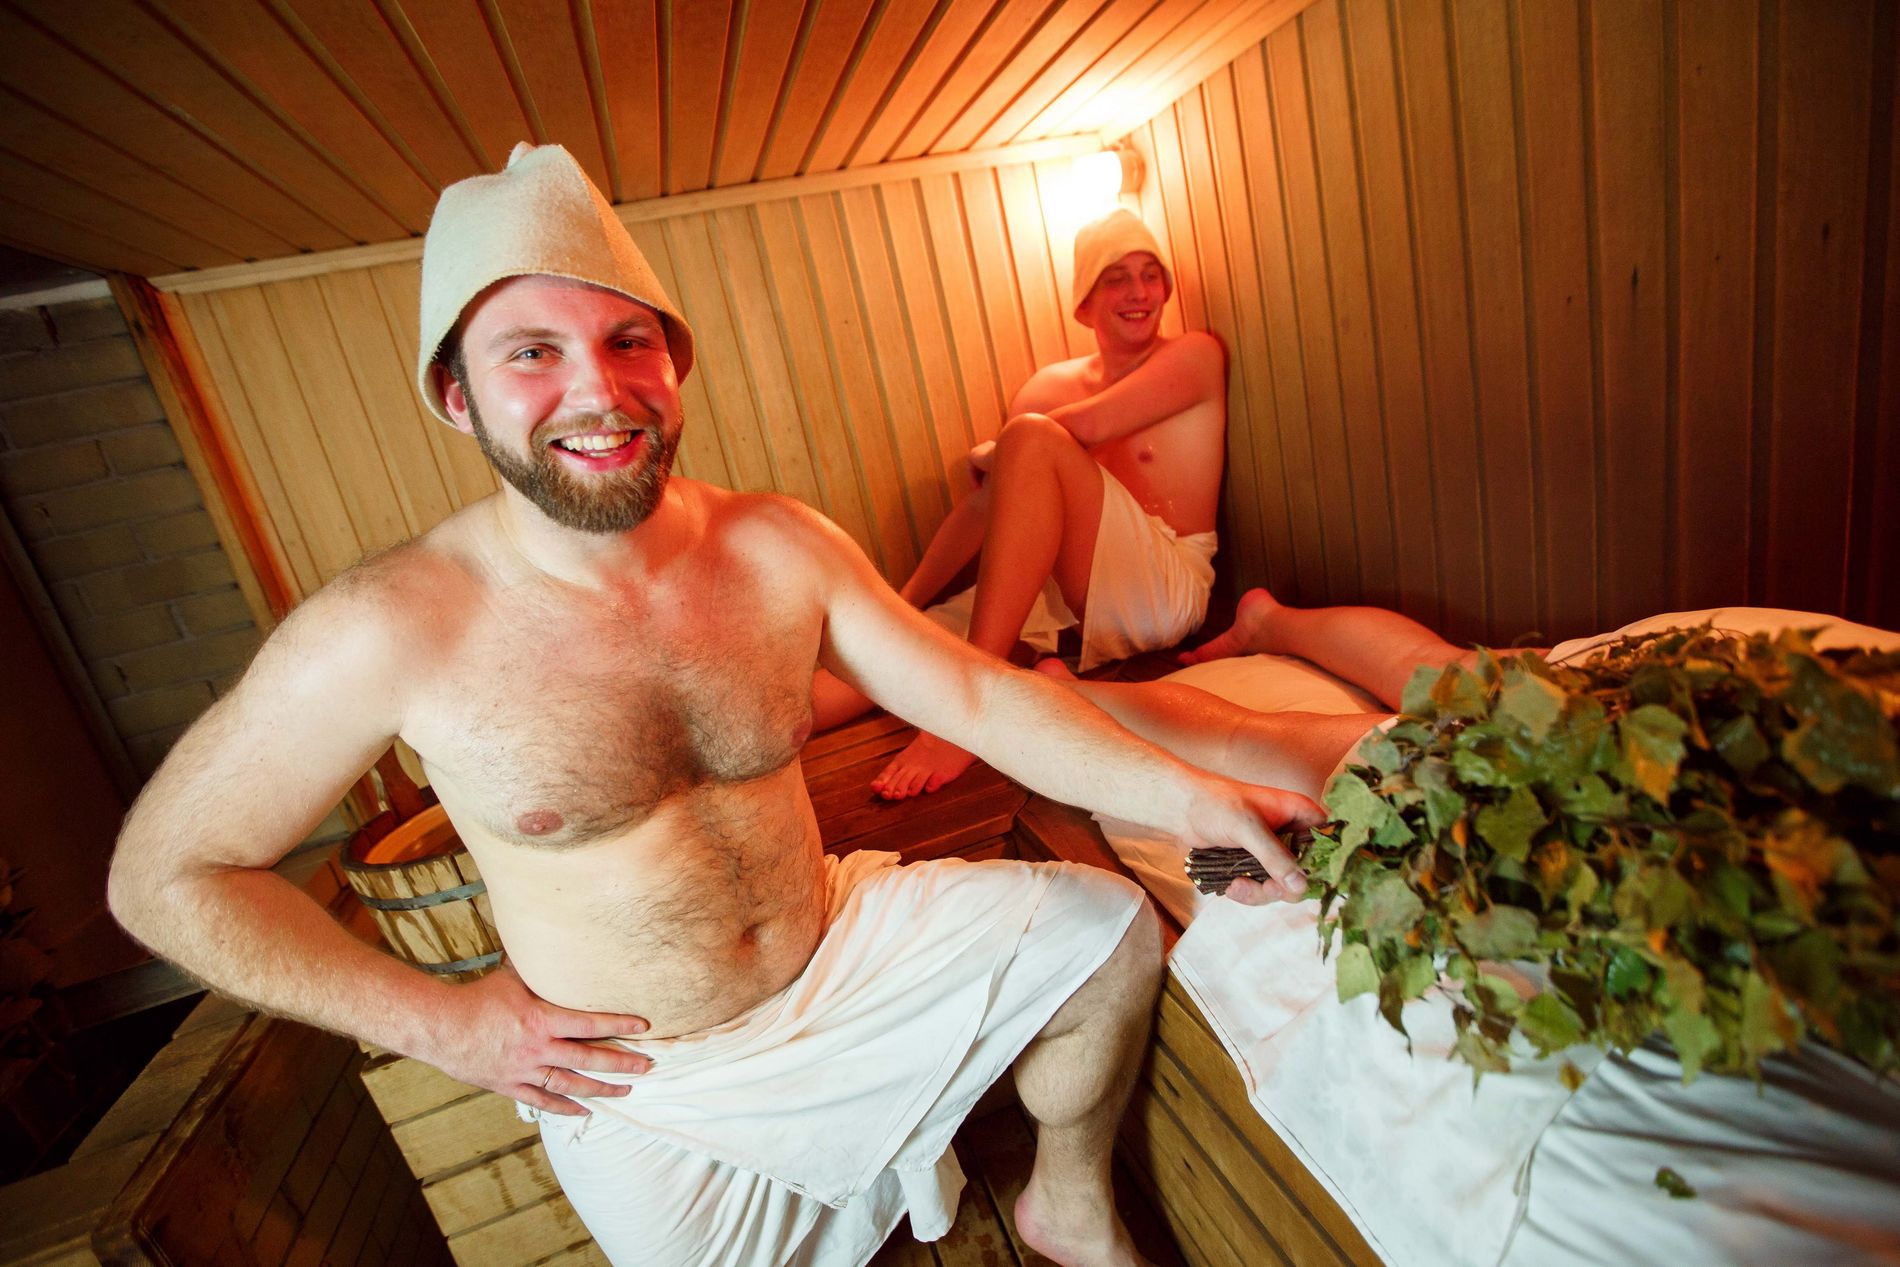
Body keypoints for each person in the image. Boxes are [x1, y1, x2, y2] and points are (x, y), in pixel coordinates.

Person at [106, 145, 1321, 1267]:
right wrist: (444, 1026)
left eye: (628, 340)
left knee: (1108, 939)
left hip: (840, 950)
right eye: (531, 353)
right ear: (458, 397)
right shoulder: (388, 625)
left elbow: (975, 694)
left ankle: (1068, 1203)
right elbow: (165, 877)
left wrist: (1195, 798)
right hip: (643, 1076)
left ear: (672, 365)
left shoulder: (778, 546)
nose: (598, 389)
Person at [811, 208, 1227, 800]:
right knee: (907, 643)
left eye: (1151, 274)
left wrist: (1006, 447)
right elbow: (987, 508)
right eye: (1116, 278)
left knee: (1030, 436)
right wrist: (901, 604)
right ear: (1084, 303)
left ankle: (974, 709)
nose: (1139, 292)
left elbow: (1084, 427)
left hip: (1161, 591)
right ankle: (746, 732)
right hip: (1065, 600)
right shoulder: (1047, 390)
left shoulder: (1195, 356)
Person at [1036, 585, 1900, 802]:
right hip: (1677, 719)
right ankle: (1264, 624)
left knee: (1429, 686)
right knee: (1446, 677)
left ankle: (1083, 696)